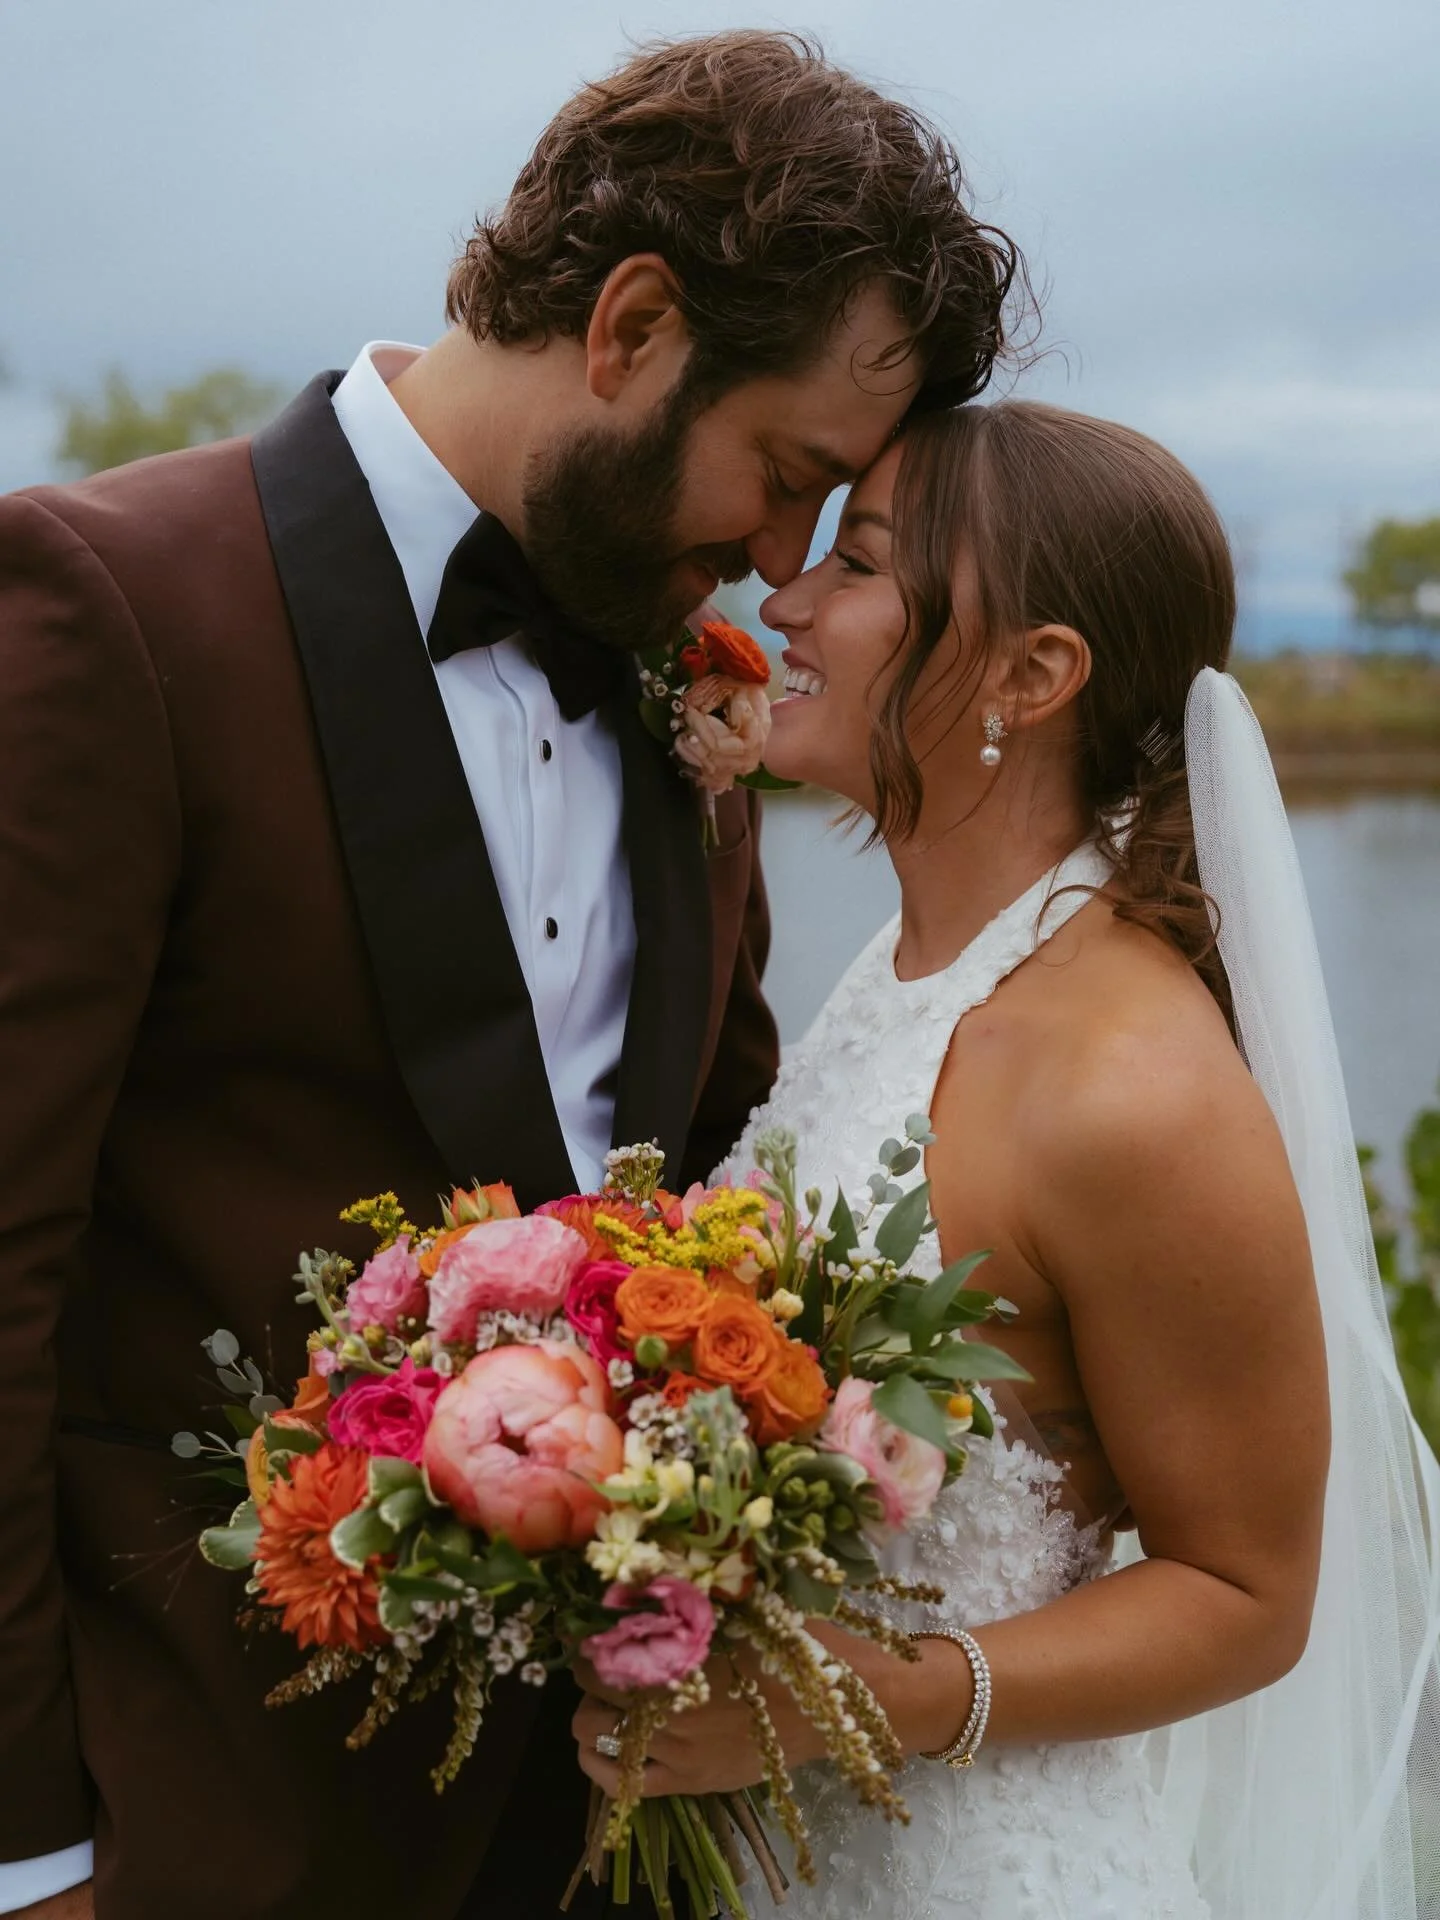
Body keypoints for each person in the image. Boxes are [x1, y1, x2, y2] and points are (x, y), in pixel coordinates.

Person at [0, 32, 1022, 1920]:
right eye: (783, 473)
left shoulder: (673, 659)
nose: (775, 562)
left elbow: (708, 1176)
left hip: (604, 1831)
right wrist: (28, 1848)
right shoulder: (104, 600)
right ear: (631, 326)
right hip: (186, 1816)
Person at [574, 402, 1440, 1915]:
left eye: (859, 563)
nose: (785, 595)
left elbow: (1250, 1595)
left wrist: (876, 1698)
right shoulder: (923, 967)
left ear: (1035, 675)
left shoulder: (1129, 1083)